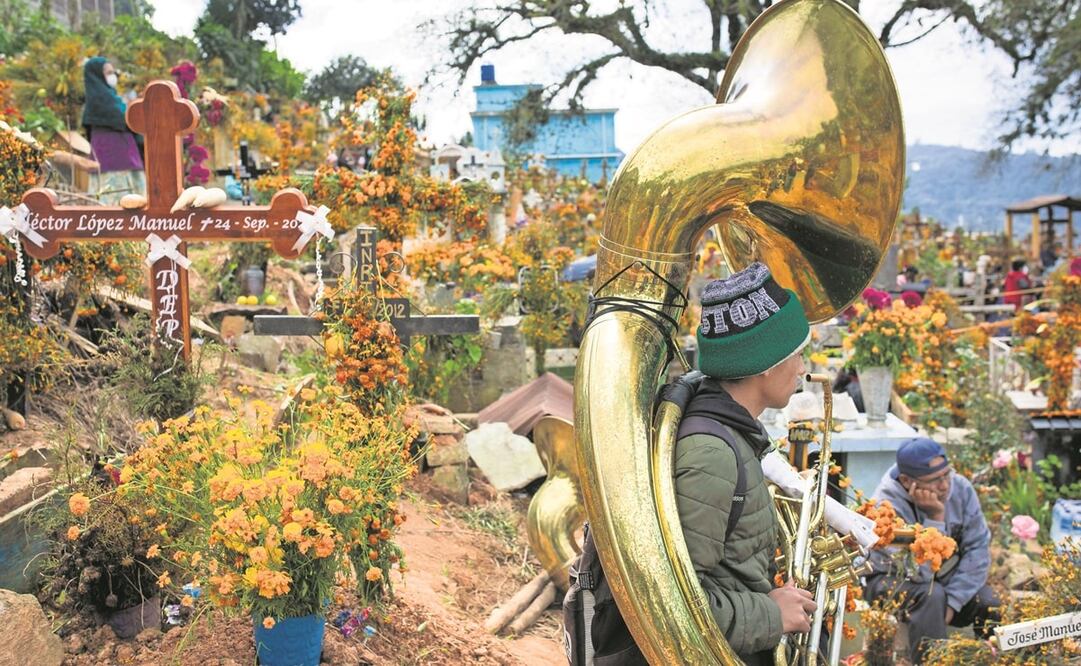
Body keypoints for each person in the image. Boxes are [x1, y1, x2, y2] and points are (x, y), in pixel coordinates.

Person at [674, 262, 818, 664]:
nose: (803, 368)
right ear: (767, 363)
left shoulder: (732, 434)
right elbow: (676, 602)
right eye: (798, 354)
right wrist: (771, 614)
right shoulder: (711, 456)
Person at [864, 438, 1000, 664]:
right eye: (935, 480)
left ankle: (998, 659)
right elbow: (917, 574)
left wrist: (954, 601)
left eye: (946, 475)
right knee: (930, 596)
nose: (945, 485)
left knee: (988, 601)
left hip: (944, 581)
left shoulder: (961, 489)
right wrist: (935, 517)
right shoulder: (887, 507)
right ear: (907, 481)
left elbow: (978, 552)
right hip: (889, 580)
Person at [82, 56, 145, 204]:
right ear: (96, 75)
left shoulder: (111, 97)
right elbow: (126, 119)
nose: (113, 76)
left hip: (124, 152)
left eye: (113, 72)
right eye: (108, 72)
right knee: (114, 199)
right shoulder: (100, 99)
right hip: (111, 155)